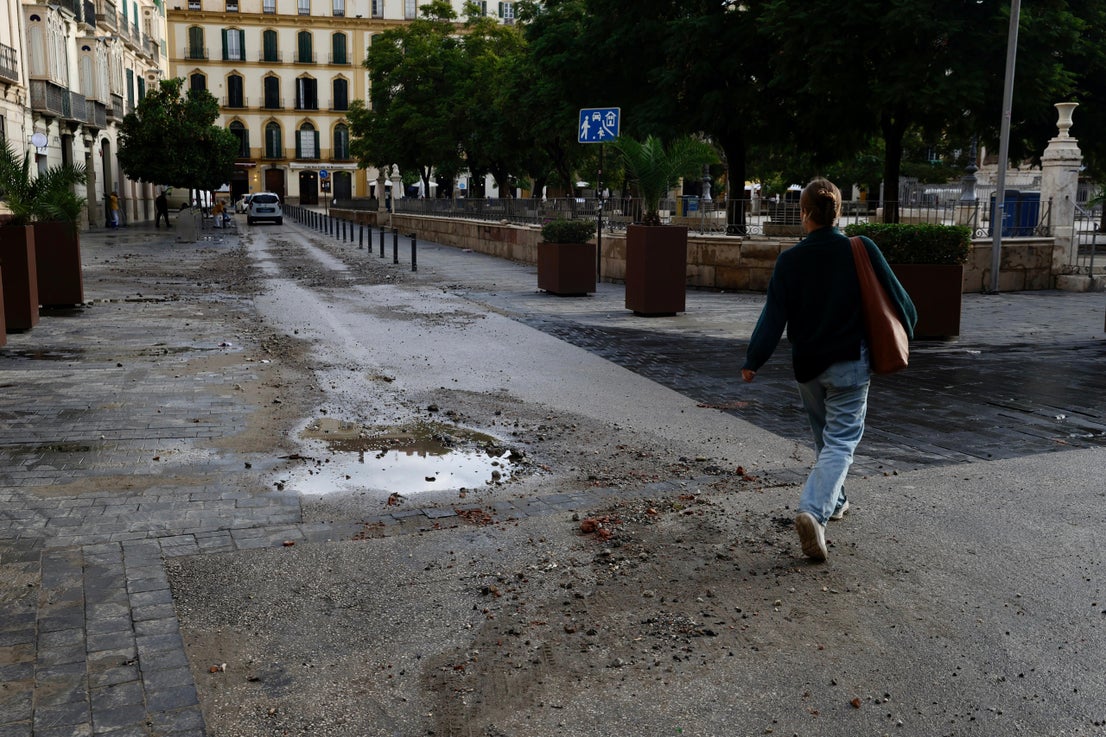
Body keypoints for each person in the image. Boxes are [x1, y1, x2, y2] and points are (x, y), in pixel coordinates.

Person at [741, 178, 917, 563]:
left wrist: (754, 360)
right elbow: (900, 299)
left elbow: (773, 318)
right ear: (838, 211)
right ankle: (813, 510)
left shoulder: (790, 260)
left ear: (804, 214)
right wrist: (910, 327)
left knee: (825, 436)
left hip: (807, 368)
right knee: (840, 442)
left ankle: (836, 503)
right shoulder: (860, 249)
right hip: (849, 364)